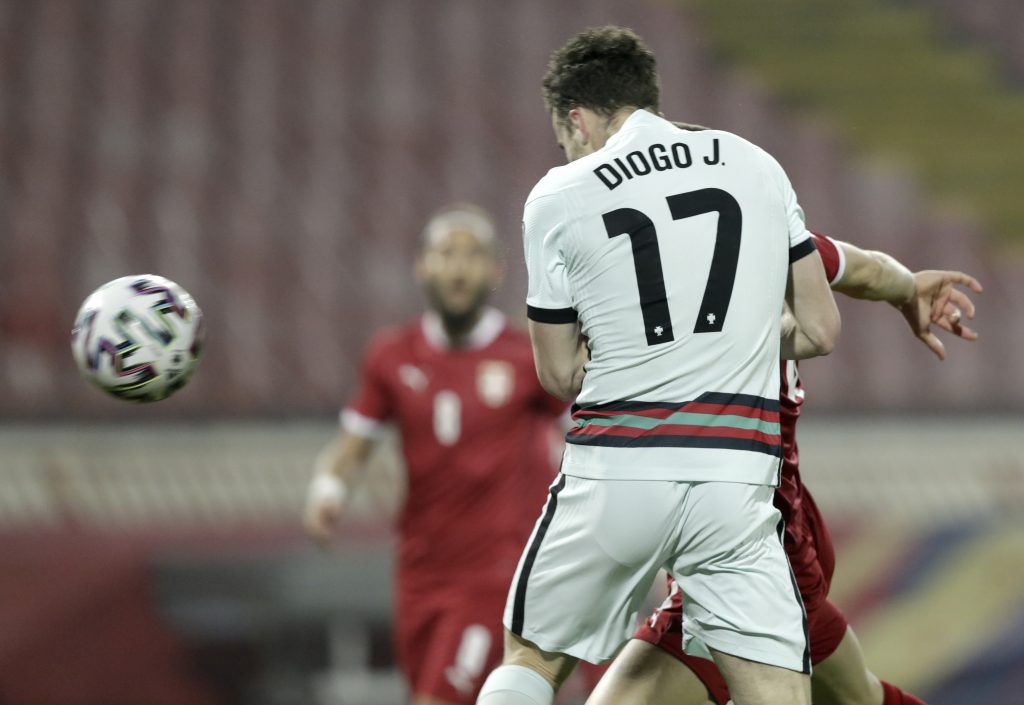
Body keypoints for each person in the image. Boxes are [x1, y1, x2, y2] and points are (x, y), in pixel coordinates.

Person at [476, 26, 840, 705]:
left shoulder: (559, 194)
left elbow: (557, 375)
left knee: (533, 656)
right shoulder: (756, 165)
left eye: (565, 136)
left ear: (577, 119)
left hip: (618, 469)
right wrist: (733, 341)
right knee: (777, 692)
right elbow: (820, 329)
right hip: (734, 477)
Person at [587, 232, 981, 705]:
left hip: (749, 555)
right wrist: (906, 286)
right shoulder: (760, 234)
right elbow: (859, 268)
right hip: (769, 536)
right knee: (857, 696)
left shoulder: (677, 278)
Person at [303, 204, 566, 705]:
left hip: (494, 575)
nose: (459, 267)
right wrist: (328, 490)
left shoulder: (525, 355)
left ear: (496, 270)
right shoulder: (392, 355)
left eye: (473, 255)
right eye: (446, 253)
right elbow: (351, 447)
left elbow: (581, 428)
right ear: (422, 266)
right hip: (419, 572)